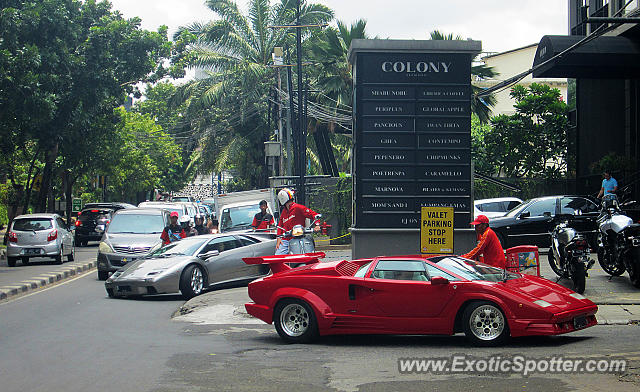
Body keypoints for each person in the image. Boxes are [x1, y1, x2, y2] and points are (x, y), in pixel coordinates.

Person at [275, 188, 320, 255]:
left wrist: (317, 225)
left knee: (310, 254)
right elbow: (280, 225)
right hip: (286, 239)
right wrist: (278, 237)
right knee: (278, 256)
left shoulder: (298, 208)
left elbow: (314, 215)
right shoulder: (284, 212)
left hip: (300, 237)